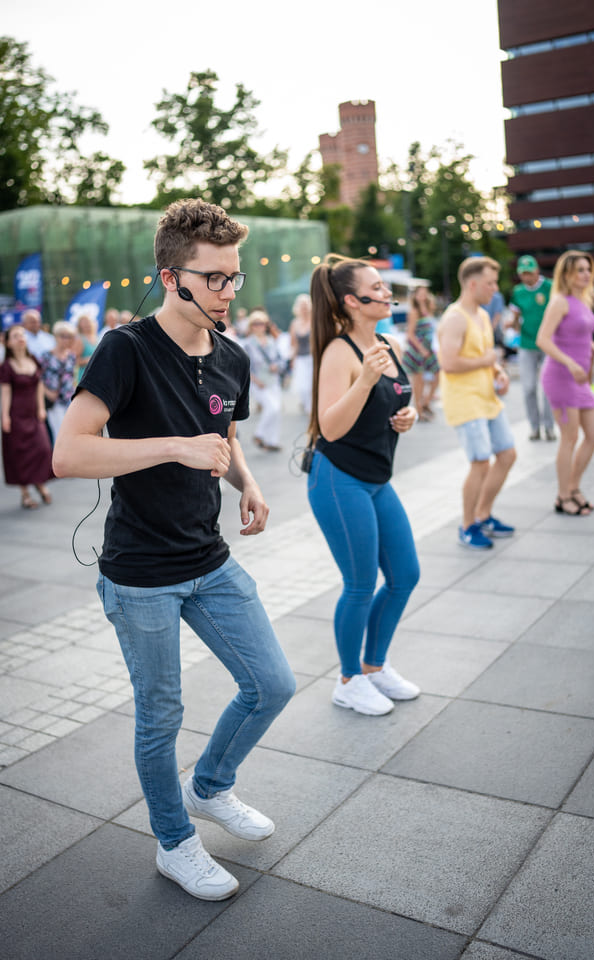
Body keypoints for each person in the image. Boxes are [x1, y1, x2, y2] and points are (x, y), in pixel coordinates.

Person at [53, 198, 296, 901]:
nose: (227, 291)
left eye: (234, 277)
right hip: (140, 576)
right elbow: (69, 456)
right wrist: (174, 448)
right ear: (171, 277)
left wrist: (245, 481)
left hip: (211, 560)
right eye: (214, 278)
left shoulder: (234, 357)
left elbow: (224, 436)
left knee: (272, 684)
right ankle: (174, 842)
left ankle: (210, 787)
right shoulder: (125, 350)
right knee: (161, 714)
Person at [306, 254, 420, 717]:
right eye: (378, 287)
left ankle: (374, 667)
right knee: (359, 583)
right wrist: (366, 378)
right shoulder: (339, 351)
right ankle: (349, 680)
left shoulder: (389, 343)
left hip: (376, 478)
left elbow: (394, 402)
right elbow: (329, 428)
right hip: (339, 479)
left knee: (404, 576)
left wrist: (406, 417)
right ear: (353, 301)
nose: (387, 292)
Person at [437, 256, 517, 550]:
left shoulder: (482, 315)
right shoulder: (455, 317)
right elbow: (448, 362)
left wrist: (499, 373)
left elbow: (487, 357)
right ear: (473, 284)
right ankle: (468, 525)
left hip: (487, 397)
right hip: (465, 401)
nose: (495, 289)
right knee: (480, 463)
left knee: (507, 455)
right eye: (490, 283)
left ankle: (483, 515)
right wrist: (488, 361)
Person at [537, 251, 594, 515]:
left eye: (588, 269)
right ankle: (563, 496)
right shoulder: (559, 302)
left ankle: (574, 487)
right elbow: (543, 339)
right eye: (579, 270)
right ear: (566, 273)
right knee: (570, 437)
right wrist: (571, 363)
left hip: (579, 378)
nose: (586, 274)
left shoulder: (582, 300)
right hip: (561, 376)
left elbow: (580, 334)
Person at [0, 324, 53, 508]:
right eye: (15, 335)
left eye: (22, 334)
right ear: (7, 343)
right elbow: (5, 393)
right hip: (16, 416)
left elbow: (38, 386)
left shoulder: (33, 360)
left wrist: (41, 408)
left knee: (43, 449)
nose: (20, 337)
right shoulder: (6, 366)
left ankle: (40, 484)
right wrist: (5, 416)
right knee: (20, 456)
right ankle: (25, 494)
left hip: (33, 414)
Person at [509, 255, 556, 441]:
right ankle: (534, 427)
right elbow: (515, 315)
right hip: (527, 344)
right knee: (528, 387)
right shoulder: (518, 291)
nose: (526, 277)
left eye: (529, 272)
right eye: (523, 273)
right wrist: (511, 325)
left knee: (547, 388)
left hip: (548, 344)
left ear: (537, 270)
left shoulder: (549, 287)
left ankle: (549, 427)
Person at [243, 309, 284, 451]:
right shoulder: (247, 344)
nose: (258, 326)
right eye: (255, 323)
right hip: (258, 383)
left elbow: (281, 360)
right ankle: (259, 434)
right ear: (251, 326)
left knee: (276, 411)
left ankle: (272, 441)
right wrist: (254, 380)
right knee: (272, 407)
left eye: (261, 323)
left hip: (273, 380)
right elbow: (244, 366)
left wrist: (276, 366)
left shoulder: (272, 341)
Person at [401, 285, 440, 421]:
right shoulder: (414, 312)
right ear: (415, 296)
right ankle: (419, 409)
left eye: (425, 293)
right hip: (418, 350)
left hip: (428, 348)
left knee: (438, 373)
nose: (423, 296)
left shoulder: (428, 309)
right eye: (420, 293)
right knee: (419, 381)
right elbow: (410, 334)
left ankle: (426, 402)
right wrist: (422, 349)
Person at [40, 321, 78, 443]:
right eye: (63, 336)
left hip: (69, 399)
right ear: (56, 336)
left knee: (72, 431)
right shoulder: (46, 356)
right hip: (53, 401)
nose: (66, 340)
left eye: (69, 336)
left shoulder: (71, 356)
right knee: (59, 434)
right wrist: (47, 392)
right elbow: (38, 378)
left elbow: (73, 377)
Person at [289, 293, 313, 415]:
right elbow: (294, 344)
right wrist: (292, 360)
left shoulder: (314, 322)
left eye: (306, 305)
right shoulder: (295, 323)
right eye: (302, 306)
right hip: (300, 359)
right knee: (302, 388)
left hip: (312, 358)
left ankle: (311, 411)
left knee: (311, 387)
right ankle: (307, 406)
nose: (304, 308)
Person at [74, 314, 98, 380]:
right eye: (84, 322)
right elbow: (75, 361)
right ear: (80, 325)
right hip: (86, 376)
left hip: (99, 375)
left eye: (88, 321)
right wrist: (89, 359)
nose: (87, 324)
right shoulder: (80, 339)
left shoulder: (97, 338)